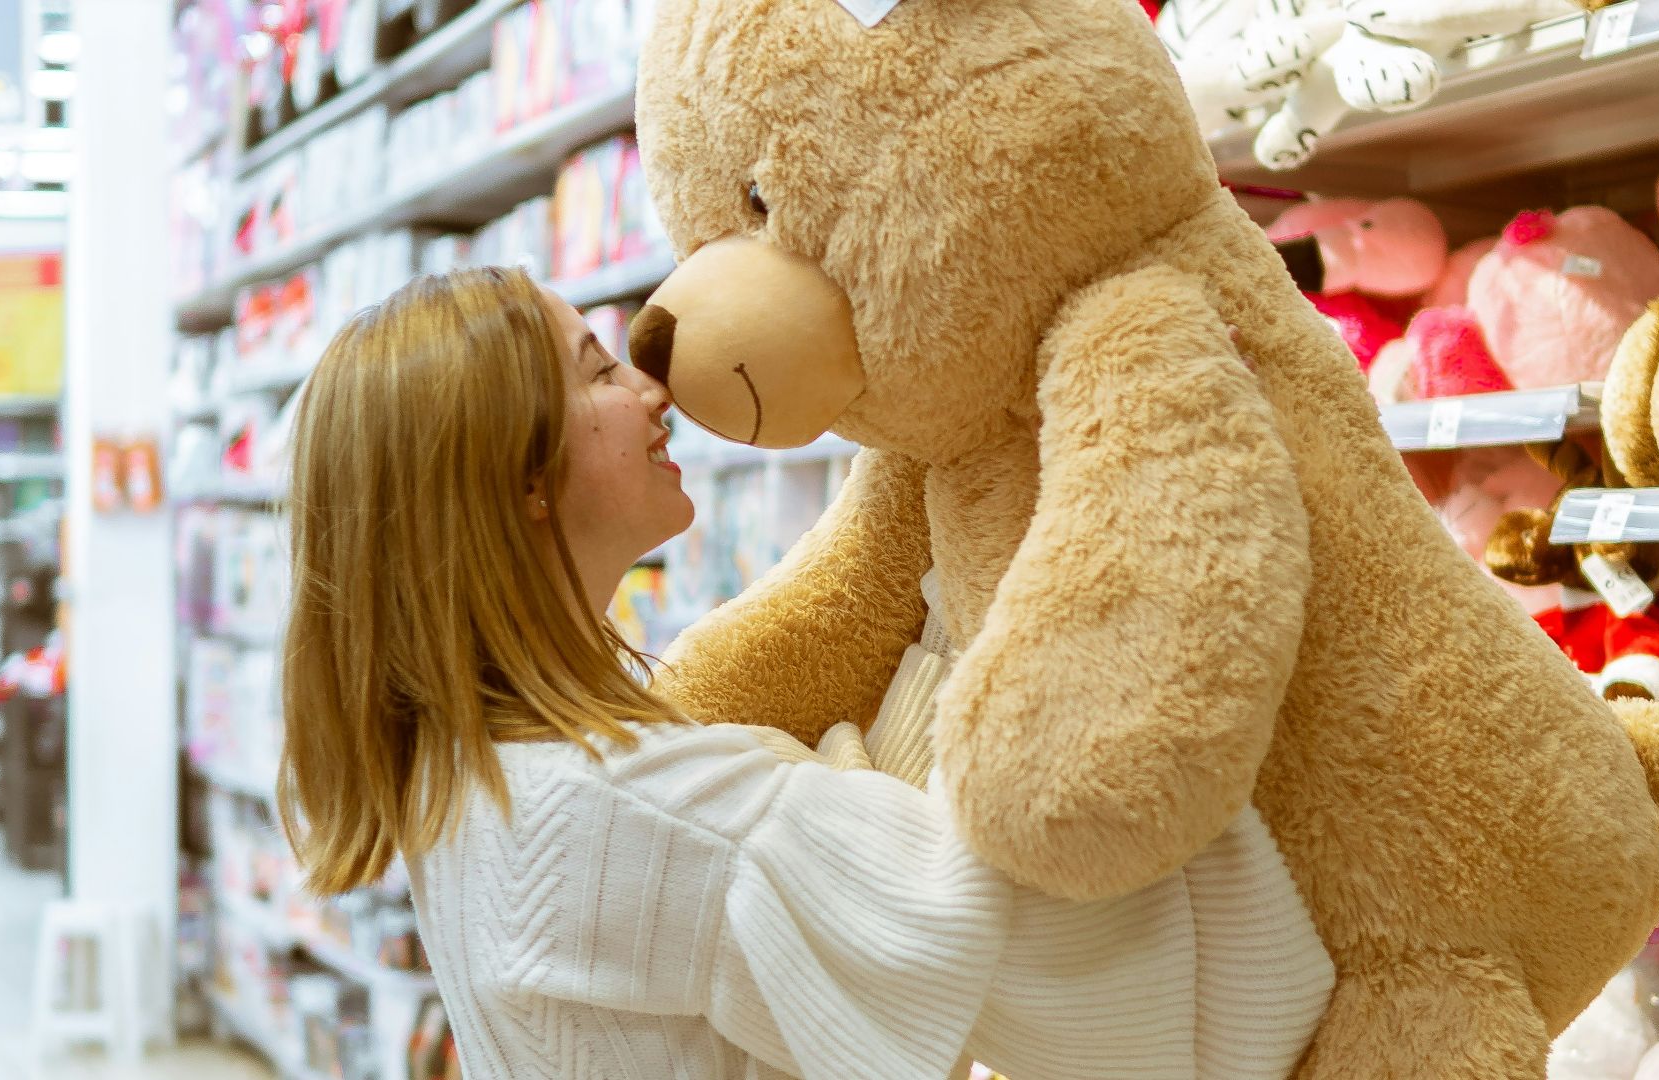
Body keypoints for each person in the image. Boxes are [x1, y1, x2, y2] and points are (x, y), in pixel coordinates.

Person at [276, 266, 1334, 1080]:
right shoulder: (625, 802)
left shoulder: (471, 771)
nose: (650, 391)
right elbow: (1012, 909)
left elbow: (826, 855)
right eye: (597, 370)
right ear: (521, 482)